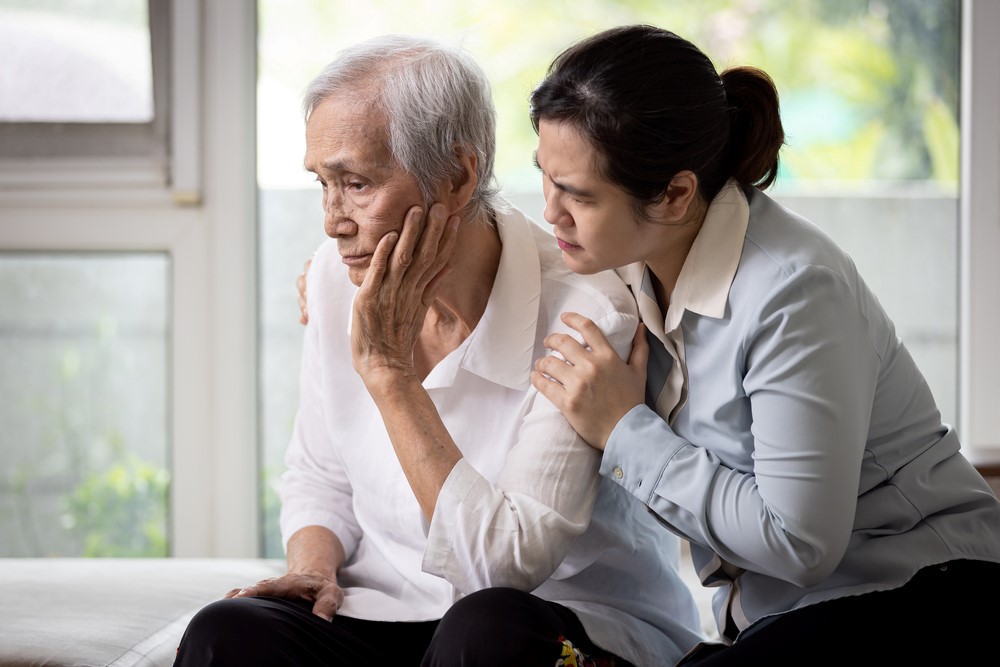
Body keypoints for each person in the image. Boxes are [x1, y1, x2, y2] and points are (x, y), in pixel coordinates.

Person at [174, 34, 705, 667]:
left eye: (356, 184)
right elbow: (320, 476)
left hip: (557, 618)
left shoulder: (588, 314)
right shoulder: (333, 275)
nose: (332, 220)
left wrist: (390, 377)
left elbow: (500, 568)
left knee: (483, 631)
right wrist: (313, 569)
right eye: (323, 184)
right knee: (227, 631)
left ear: (456, 176)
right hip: (389, 615)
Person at [523, 24, 1000, 664]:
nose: (550, 211)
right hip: (777, 622)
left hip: (921, 595)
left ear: (674, 194)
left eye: (577, 194)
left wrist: (625, 430)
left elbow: (799, 544)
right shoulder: (628, 265)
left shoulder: (794, 292)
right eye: (545, 179)